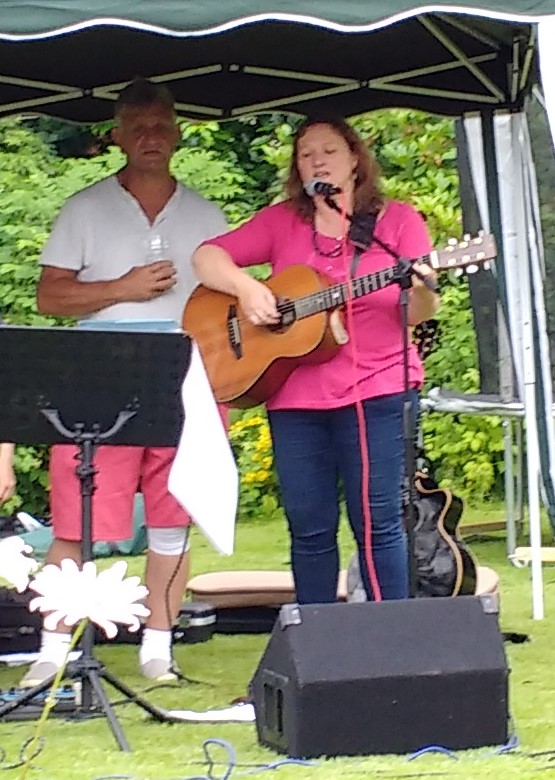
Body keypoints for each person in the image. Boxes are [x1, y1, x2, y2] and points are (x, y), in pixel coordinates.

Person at [21, 78, 227, 687]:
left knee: (173, 515)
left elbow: (227, 304)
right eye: (137, 128)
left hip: (183, 374)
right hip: (97, 374)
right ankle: (52, 651)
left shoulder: (208, 214)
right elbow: (49, 296)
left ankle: (158, 649)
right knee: (76, 519)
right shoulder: (84, 208)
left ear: (178, 134)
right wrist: (123, 288)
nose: (150, 137)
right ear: (116, 136)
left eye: (161, 126)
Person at [192, 115, 439, 605]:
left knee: (378, 522)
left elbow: (417, 313)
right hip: (295, 397)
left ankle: (390, 635)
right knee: (308, 525)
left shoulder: (397, 222)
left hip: (378, 390)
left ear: (354, 160)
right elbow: (206, 256)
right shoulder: (282, 221)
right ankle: (315, 634)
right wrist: (247, 288)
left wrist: (424, 290)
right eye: (306, 154)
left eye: (328, 151)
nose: (317, 161)